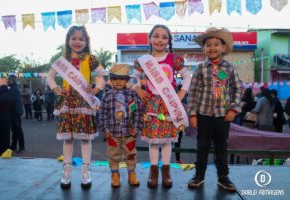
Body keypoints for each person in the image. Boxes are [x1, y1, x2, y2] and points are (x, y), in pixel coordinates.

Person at [46, 25, 106, 189]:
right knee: (69, 138)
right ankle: (66, 170)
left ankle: (86, 171)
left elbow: (104, 75)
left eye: (81, 39)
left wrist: (95, 89)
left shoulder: (90, 58)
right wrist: (57, 89)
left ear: (86, 41)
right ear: (68, 40)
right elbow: (49, 77)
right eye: (74, 38)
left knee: (85, 139)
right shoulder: (62, 60)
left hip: (84, 102)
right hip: (68, 103)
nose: (77, 42)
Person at [133, 24, 191, 188]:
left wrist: (182, 94)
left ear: (169, 41)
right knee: (153, 140)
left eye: (164, 37)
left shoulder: (174, 59)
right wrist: (137, 88)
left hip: (169, 104)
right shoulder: (143, 61)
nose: (160, 40)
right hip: (152, 104)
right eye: (156, 36)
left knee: (166, 140)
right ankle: (153, 171)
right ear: (150, 38)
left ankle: (166, 171)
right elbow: (134, 77)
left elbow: (187, 77)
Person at [187, 27, 242, 192]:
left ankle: (223, 177)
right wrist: (192, 113)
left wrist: (233, 109)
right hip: (203, 115)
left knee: (221, 148)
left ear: (223, 47)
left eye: (216, 44)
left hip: (222, 116)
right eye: (208, 45)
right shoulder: (200, 69)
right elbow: (193, 92)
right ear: (204, 49)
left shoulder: (229, 68)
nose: (212, 48)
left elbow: (236, 89)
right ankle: (199, 176)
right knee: (202, 146)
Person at [98, 64, 143, 187]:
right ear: (111, 80)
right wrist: (104, 129)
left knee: (131, 153)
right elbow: (102, 113)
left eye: (122, 79)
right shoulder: (107, 95)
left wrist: (136, 127)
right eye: (115, 79)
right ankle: (115, 175)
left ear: (127, 80)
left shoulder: (132, 95)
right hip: (112, 133)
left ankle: (131, 174)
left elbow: (138, 112)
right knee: (113, 155)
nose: (118, 82)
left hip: (129, 133)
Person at [8, 74, 25, 153]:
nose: (7, 81)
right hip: (15, 111)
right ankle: (14, 145)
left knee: (17, 129)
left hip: (14, 112)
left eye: (8, 80)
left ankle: (21, 146)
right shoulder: (14, 88)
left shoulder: (13, 89)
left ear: (11, 80)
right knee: (15, 129)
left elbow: (14, 101)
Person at [0, 85, 12, 153]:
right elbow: (10, 108)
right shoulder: (8, 98)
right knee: (6, 134)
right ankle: (5, 149)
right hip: (6, 116)